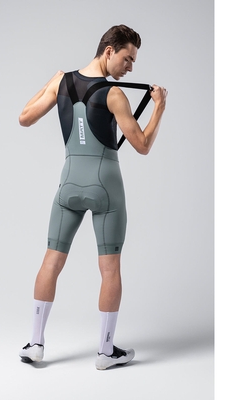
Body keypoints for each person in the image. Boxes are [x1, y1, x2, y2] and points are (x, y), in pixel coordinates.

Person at [18, 24, 167, 370]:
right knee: (110, 268)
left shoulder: (61, 82)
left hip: (68, 185)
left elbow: (24, 118)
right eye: (128, 58)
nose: (130, 67)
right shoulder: (114, 94)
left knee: (51, 261)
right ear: (109, 50)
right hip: (106, 187)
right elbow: (143, 145)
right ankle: (105, 351)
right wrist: (159, 106)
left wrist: (51, 82)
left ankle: (35, 344)